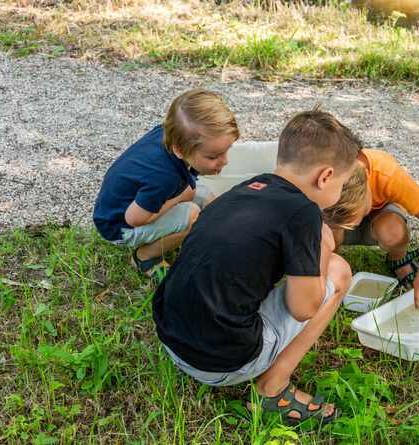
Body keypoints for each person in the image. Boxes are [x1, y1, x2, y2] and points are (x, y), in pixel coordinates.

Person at [152, 108, 360, 425]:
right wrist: (324, 246)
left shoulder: (249, 188)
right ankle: (272, 389)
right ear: (326, 176)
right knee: (339, 271)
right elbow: (304, 308)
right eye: (342, 184)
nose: (339, 191)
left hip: (172, 341)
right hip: (221, 364)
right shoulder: (304, 213)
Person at [92, 89, 238, 275]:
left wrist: (186, 193)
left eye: (227, 150)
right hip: (119, 226)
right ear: (179, 149)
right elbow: (134, 218)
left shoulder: (170, 134)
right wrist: (179, 199)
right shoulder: (163, 178)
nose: (225, 161)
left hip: (136, 201)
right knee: (191, 216)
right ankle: (145, 258)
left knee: (205, 195)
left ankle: (214, 234)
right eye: (213, 156)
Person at [329, 148, 419, 307]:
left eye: (357, 212)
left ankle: (398, 259)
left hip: (382, 217)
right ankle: (331, 265)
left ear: (366, 177)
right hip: (333, 223)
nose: (354, 224)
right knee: (328, 232)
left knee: (392, 231)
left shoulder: (386, 172)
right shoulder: (323, 174)